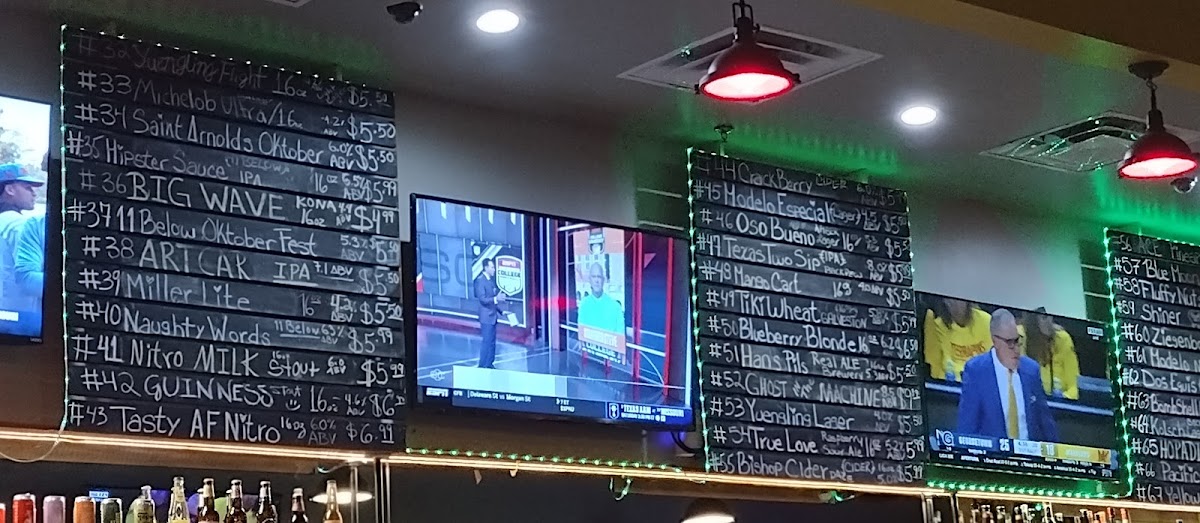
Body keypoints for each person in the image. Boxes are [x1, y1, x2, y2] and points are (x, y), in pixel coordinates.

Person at [957, 309, 1059, 442]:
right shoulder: (976, 371)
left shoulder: (1031, 370)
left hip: (1028, 452)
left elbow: (1046, 424)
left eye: (1017, 341)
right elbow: (967, 428)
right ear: (995, 340)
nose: (1016, 349)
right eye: (1010, 343)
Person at [0, 163, 44, 333]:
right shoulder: (17, 224)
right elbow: (30, 279)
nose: (34, 193)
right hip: (20, 322)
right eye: (27, 187)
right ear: (10, 189)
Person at [923, 297, 992, 381]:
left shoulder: (987, 321)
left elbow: (992, 365)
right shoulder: (936, 322)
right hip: (949, 385)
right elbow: (934, 367)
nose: (953, 302)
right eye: (949, 298)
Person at [1020, 307, 1080, 400]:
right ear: (1032, 321)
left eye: (1050, 316)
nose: (1049, 322)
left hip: (1059, 402)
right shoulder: (1020, 337)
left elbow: (1074, 385)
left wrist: (1063, 399)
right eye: (1044, 318)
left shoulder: (1062, 338)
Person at [577, 262, 625, 335]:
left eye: (599, 277)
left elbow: (620, 336)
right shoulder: (584, 304)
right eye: (594, 277)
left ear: (603, 280)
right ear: (589, 280)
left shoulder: (616, 307)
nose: (596, 280)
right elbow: (582, 333)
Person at [473, 257, 504, 369]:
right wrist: (496, 299)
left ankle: (489, 363)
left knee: (492, 342)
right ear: (486, 268)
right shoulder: (480, 281)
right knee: (486, 342)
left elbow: (492, 300)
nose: (494, 269)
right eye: (492, 267)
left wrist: (501, 311)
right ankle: (482, 365)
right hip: (486, 317)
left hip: (493, 316)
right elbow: (483, 299)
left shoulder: (490, 281)